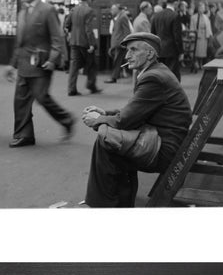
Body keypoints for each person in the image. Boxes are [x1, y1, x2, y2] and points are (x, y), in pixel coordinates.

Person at [81, 32, 192, 208]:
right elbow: (136, 111)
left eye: (133, 50)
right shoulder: (157, 71)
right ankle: (118, 203)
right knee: (112, 141)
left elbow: (125, 120)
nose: (127, 55)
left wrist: (98, 120)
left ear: (149, 54)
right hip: (165, 140)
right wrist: (105, 112)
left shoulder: (153, 78)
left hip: (164, 148)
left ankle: (104, 205)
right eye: (127, 51)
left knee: (107, 143)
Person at [4, 0, 76, 148]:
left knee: (42, 97)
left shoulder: (47, 10)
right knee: (20, 101)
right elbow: (19, 43)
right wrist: (11, 65)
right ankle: (24, 135)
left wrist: (52, 60)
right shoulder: (22, 13)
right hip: (23, 64)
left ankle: (67, 119)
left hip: (41, 64)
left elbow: (57, 38)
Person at [65, 0, 101, 96]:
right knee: (92, 64)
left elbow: (67, 24)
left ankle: (71, 89)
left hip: (74, 42)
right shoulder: (89, 11)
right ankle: (91, 85)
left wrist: (70, 34)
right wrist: (91, 44)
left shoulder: (73, 9)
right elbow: (88, 29)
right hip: (85, 42)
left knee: (74, 65)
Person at [151, 0, 184, 81]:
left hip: (159, 49)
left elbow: (152, 34)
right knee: (173, 75)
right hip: (171, 50)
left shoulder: (156, 16)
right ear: (175, 3)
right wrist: (181, 51)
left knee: (161, 74)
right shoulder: (175, 16)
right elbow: (177, 36)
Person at [104, 4, 132, 84]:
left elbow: (127, 31)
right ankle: (116, 76)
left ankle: (114, 77)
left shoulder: (123, 17)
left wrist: (125, 43)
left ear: (118, 9)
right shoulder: (119, 17)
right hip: (118, 43)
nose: (111, 11)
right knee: (118, 60)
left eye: (113, 9)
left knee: (117, 60)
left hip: (120, 43)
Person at [190, 1, 213, 72]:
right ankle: (196, 63)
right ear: (198, 8)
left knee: (202, 52)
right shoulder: (193, 17)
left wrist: (209, 35)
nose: (202, 9)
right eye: (201, 8)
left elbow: (208, 26)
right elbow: (192, 26)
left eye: (203, 8)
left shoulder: (206, 17)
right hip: (197, 36)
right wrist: (193, 34)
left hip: (204, 36)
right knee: (196, 51)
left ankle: (200, 63)